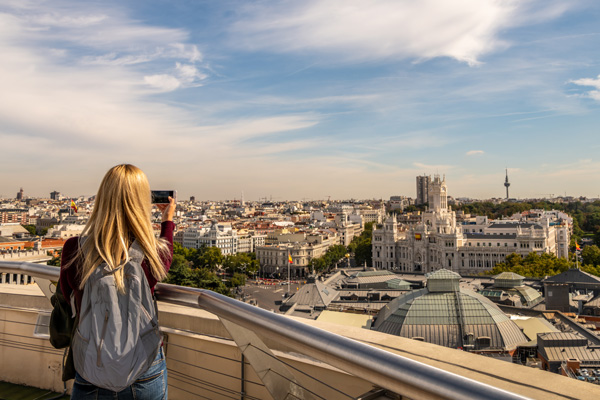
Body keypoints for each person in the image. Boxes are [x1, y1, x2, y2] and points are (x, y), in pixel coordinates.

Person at [59, 164, 175, 400]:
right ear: (142, 201)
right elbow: (167, 252)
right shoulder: (152, 253)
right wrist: (168, 220)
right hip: (143, 367)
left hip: (91, 364)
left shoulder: (74, 248)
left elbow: (66, 292)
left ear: (102, 198)